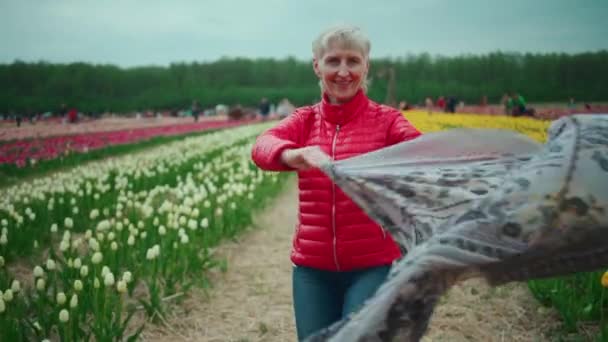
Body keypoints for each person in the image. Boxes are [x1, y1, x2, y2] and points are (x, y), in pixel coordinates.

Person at [250, 24, 421, 341]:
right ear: (317, 65)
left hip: (373, 267)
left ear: (366, 65)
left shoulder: (387, 122)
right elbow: (261, 147)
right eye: (333, 61)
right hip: (312, 271)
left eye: (353, 61)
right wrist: (292, 155)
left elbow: (424, 156)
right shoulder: (304, 120)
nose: (343, 71)